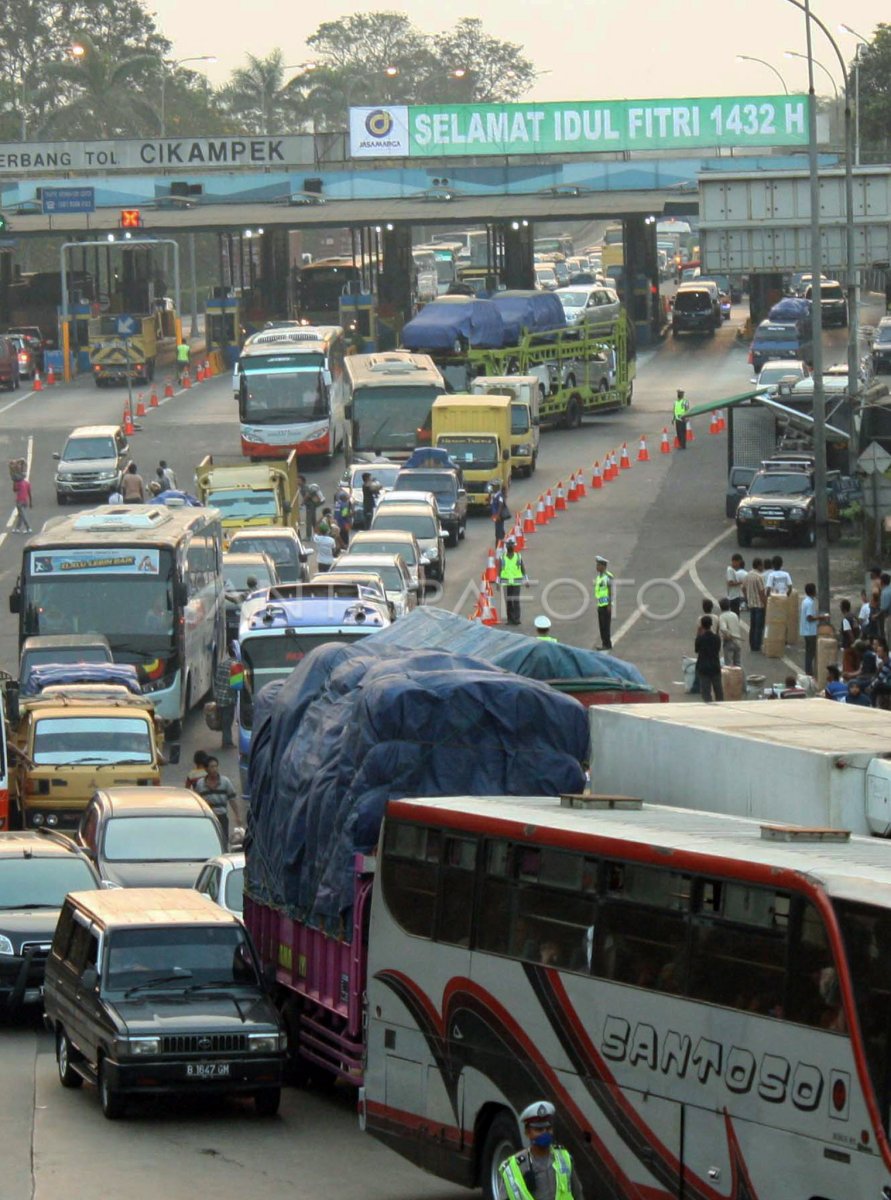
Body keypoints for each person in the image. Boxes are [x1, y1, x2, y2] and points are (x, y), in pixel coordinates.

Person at [497, 1101, 583, 1200]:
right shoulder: (514, 1168)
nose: (545, 1133)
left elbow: (577, 1193)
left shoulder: (563, 1158)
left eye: (548, 1128)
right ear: (527, 1133)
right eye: (539, 1130)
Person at [195, 757, 238, 847]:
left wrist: (237, 816)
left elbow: (232, 799)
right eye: (212, 767)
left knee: (223, 841)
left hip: (222, 817)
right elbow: (197, 802)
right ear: (206, 769)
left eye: (216, 766)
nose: (214, 769)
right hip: (207, 817)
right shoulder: (200, 784)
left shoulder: (225, 782)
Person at [695, 615, 723, 703]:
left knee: (706, 692)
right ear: (711, 625)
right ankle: (721, 705)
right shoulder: (716, 638)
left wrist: (698, 634)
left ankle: (709, 705)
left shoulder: (700, 638)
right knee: (718, 690)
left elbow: (696, 650)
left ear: (702, 625)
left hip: (703, 667)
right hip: (715, 666)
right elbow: (718, 649)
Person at [212, 648, 237, 749]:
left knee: (224, 720)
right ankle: (227, 742)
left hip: (220, 697)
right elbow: (237, 685)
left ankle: (225, 741)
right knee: (227, 720)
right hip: (229, 699)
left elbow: (216, 680)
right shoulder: (236, 666)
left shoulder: (222, 664)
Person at [499, 538, 527, 626]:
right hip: (506, 582)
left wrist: (526, 580)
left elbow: (522, 568)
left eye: (511, 545)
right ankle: (510, 619)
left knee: (515, 600)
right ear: (506, 547)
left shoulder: (518, 556)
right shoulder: (502, 557)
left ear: (513, 546)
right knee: (508, 601)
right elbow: (499, 570)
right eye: (509, 545)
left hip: (516, 582)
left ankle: (516, 619)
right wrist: (497, 582)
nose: (510, 546)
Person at [743, 557, 767, 651]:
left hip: (751, 604)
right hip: (759, 605)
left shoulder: (747, 575)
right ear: (759, 565)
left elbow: (743, 588)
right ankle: (757, 645)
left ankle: (752, 644)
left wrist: (747, 598)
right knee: (759, 627)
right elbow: (762, 592)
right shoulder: (759, 577)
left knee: (752, 626)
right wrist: (765, 603)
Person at [593, 556, 614, 650]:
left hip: (606, 605)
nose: (596, 567)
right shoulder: (599, 577)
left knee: (606, 625)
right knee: (601, 626)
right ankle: (604, 643)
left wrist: (609, 604)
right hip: (600, 604)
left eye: (598, 565)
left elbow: (610, 590)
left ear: (603, 566)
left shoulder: (607, 577)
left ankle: (607, 644)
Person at [799, 582, 819, 677]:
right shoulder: (810, 603)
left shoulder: (805, 601)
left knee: (809, 652)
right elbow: (809, 617)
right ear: (813, 591)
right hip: (810, 631)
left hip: (805, 631)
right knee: (811, 652)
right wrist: (821, 617)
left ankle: (809, 670)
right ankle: (809, 671)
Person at [718, 596, 742, 667]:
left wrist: (728, 636)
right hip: (738, 641)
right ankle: (739, 677)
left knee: (729, 665)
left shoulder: (722, 616)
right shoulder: (734, 615)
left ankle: (731, 678)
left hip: (729, 642)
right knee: (738, 664)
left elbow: (723, 628)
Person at [299, 475, 325, 540]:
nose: (297, 481)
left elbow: (307, 495)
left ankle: (308, 536)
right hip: (311, 506)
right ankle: (317, 534)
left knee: (309, 521)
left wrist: (302, 503)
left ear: (302, 481)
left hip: (310, 506)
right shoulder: (303, 488)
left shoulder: (305, 487)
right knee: (313, 521)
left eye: (298, 480)